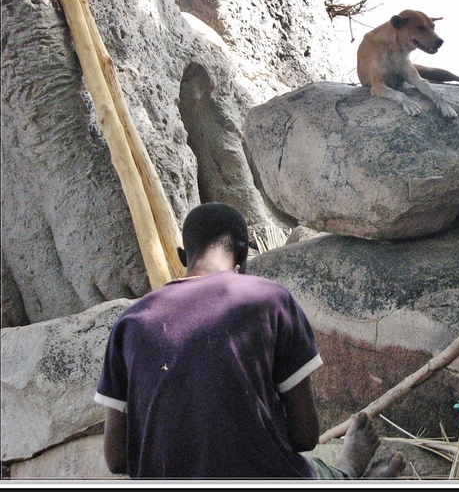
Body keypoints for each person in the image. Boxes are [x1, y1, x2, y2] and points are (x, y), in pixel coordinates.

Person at [93, 202, 405, 479]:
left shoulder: (131, 322)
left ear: (182, 257)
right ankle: (347, 473)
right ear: (244, 254)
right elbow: (305, 437)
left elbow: (116, 458)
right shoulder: (269, 298)